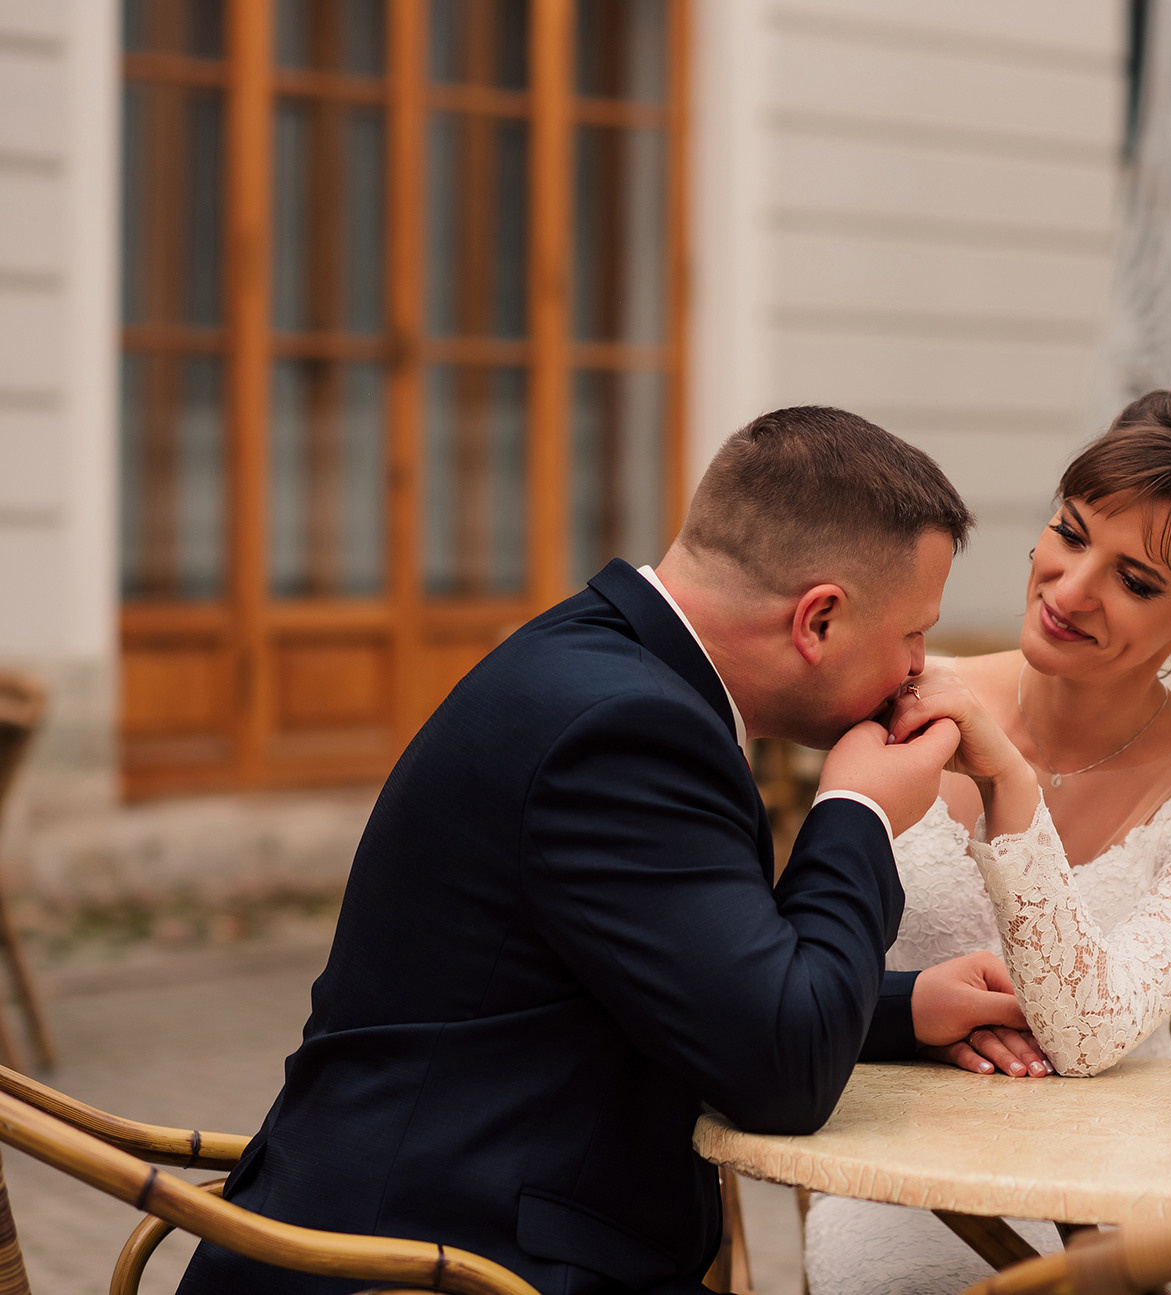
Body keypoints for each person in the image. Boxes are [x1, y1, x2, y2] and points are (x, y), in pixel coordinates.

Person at [178, 407, 1036, 1295]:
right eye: (912, 635)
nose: (917, 668)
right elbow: (782, 1072)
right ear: (817, 619)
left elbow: (704, 983)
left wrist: (906, 1006)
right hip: (435, 1263)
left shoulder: (605, 665)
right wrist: (858, 812)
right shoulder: (628, 730)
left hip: (453, 1223)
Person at [803, 386, 1171, 1295]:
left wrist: (1008, 781)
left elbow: (1087, 1033)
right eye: (1073, 533)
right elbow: (793, 963)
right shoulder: (908, 701)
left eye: (1136, 581)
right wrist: (916, 1015)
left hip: (1117, 1199)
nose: (1070, 589)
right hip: (896, 1175)